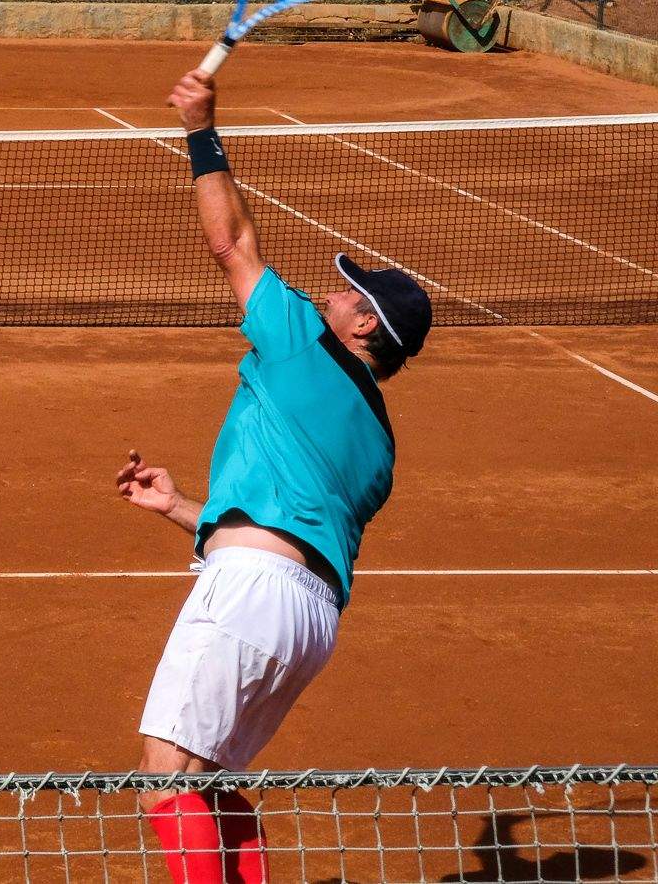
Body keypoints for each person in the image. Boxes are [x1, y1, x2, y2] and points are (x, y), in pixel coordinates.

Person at [115, 69, 432, 884]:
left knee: (165, 773)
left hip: (252, 593)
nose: (327, 291)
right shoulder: (381, 445)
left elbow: (232, 244)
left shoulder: (303, 341)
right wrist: (186, 506)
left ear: (364, 325)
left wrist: (202, 128)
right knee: (212, 779)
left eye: (345, 290)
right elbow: (290, 530)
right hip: (308, 621)